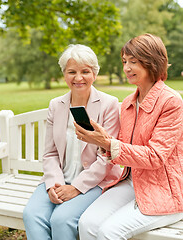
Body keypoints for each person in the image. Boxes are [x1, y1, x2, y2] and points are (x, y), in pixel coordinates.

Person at [75, 34, 183, 240]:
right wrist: (102, 140)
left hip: (165, 192)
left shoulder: (171, 102)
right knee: (86, 224)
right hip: (132, 181)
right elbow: (123, 147)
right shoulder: (129, 103)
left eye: (133, 62)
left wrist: (108, 143)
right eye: (124, 62)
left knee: (107, 233)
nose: (126, 68)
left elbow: (155, 156)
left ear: (152, 62)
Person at [23, 44, 122, 240]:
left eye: (85, 71)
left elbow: (106, 158)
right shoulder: (56, 105)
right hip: (59, 179)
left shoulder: (109, 104)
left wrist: (76, 187)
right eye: (72, 72)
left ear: (94, 73)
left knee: (61, 219)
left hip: (95, 182)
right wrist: (53, 185)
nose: (78, 78)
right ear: (64, 74)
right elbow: (50, 153)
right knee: (32, 215)